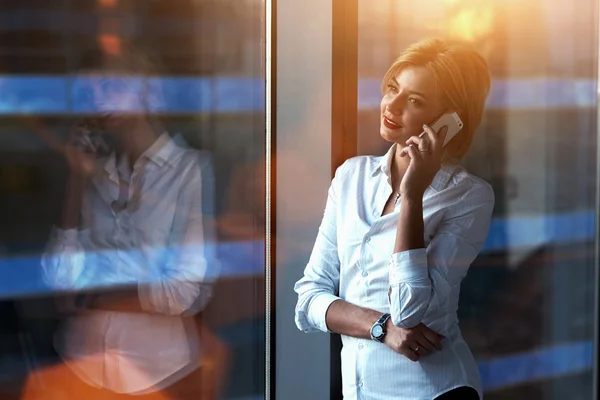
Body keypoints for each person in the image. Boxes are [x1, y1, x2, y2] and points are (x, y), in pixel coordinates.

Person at [294, 37, 494, 400]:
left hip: (434, 391)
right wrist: (379, 327)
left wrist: (413, 196)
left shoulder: (469, 196)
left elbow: (408, 310)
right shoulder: (350, 177)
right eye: (392, 89)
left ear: (450, 120)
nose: (392, 105)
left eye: (415, 101)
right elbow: (308, 300)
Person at [39, 44, 220, 399]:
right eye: (88, 94)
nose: (98, 102)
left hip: (157, 375)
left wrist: (95, 291)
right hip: (79, 366)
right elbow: (59, 277)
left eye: (108, 87)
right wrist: (76, 179)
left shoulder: (191, 171)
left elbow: (185, 293)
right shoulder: (94, 173)